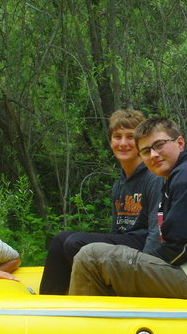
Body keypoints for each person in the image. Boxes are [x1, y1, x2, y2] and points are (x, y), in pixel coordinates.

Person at [69, 116, 187, 299]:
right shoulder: (176, 177)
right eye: (145, 151)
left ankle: (82, 332)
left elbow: (178, 247)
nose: (153, 154)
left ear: (180, 143)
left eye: (159, 145)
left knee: (91, 257)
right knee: (109, 261)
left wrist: (140, 265)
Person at [39, 108, 162, 295]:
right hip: (124, 242)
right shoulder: (119, 184)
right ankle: (48, 305)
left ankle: (106, 290)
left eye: (130, 137)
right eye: (117, 137)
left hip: (141, 247)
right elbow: (116, 231)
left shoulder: (153, 177)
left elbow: (156, 232)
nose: (123, 143)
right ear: (110, 141)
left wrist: (146, 271)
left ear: (140, 142)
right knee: (60, 239)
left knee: (75, 243)